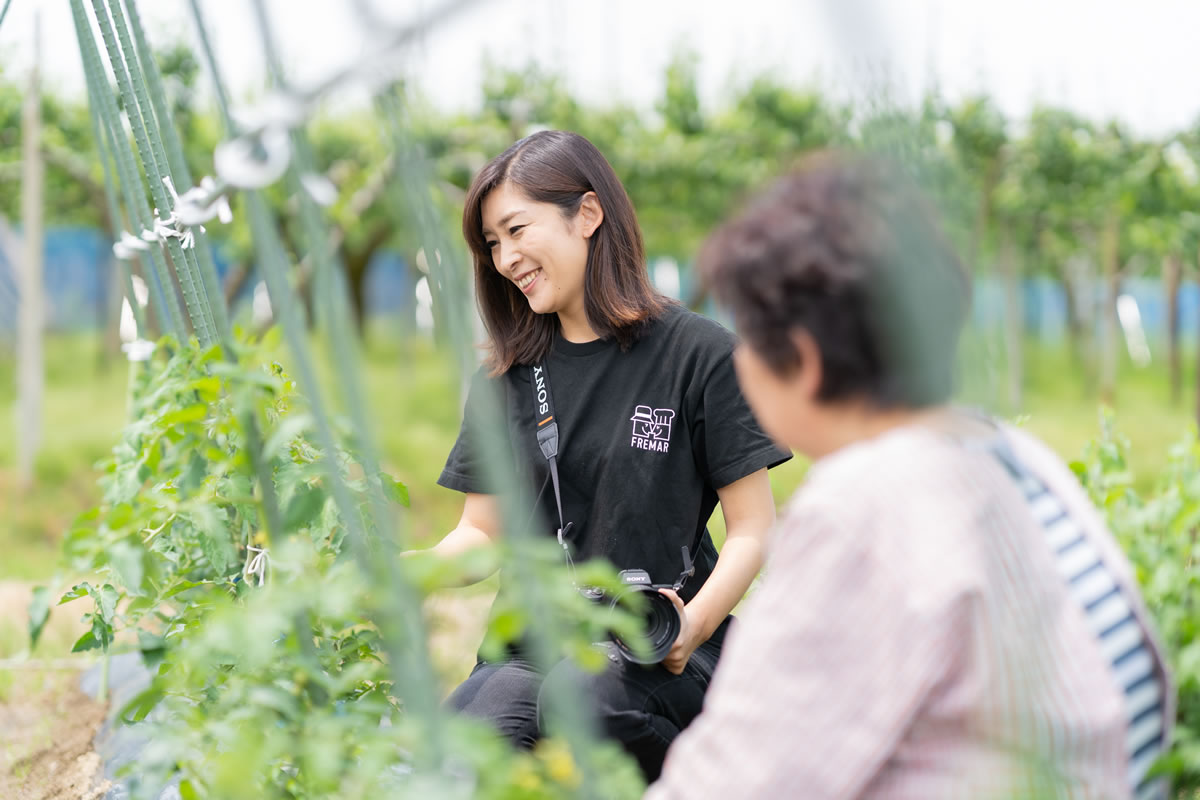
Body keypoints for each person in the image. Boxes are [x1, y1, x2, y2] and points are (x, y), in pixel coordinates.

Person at [648, 154, 1173, 799]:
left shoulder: (867, 504)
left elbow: (734, 784)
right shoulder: (1011, 453)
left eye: (747, 341)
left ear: (804, 361)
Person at [422, 129, 790, 781]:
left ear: (587, 215)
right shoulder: (505, 379)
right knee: (453, 762)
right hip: (532, 647)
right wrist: (402, 575)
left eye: (516, 230)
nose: (505, 257)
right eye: (492, 244)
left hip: (652, 647)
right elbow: (479, 533)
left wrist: (691, 628)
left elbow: (753, 530)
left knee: (591, 701)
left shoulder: (699, 355)